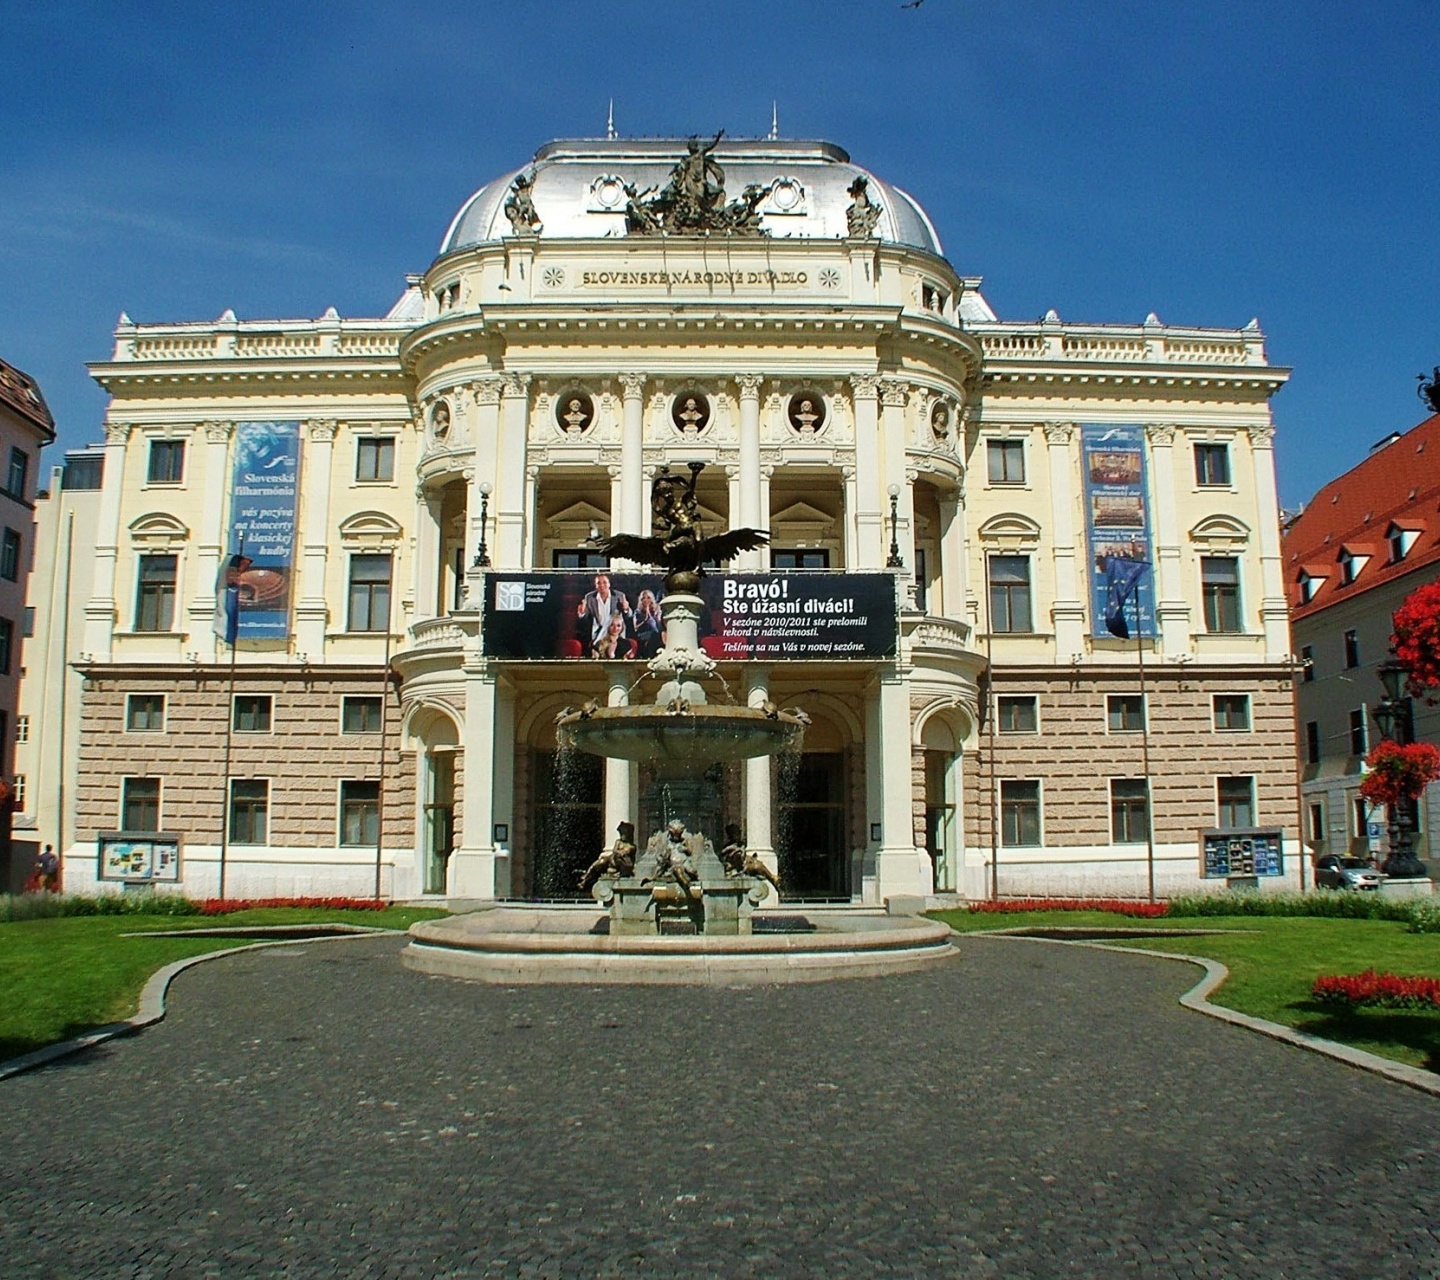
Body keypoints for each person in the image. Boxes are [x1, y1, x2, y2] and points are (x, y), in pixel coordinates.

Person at [575, 573, 631, 657]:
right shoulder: (589, 597)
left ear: (609, 584)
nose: (602, 585)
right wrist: (582, 613)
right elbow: (585, 617)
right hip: (599, 633)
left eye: (604, 582)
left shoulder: (619, 596)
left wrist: (626, 609)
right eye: (599, 583)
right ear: (595, 585)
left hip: (616, 632)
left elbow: (629, 615)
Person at [632, 589, 664, 659]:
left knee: (656, 636)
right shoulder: (638, 612)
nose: (646, 600)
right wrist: (645, 620)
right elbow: (635, 628)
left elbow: (659, 626)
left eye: (648, 598)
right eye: (643, 598)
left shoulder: (656, 610)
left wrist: (656, 616)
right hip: (642, 634)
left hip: (655, 634)